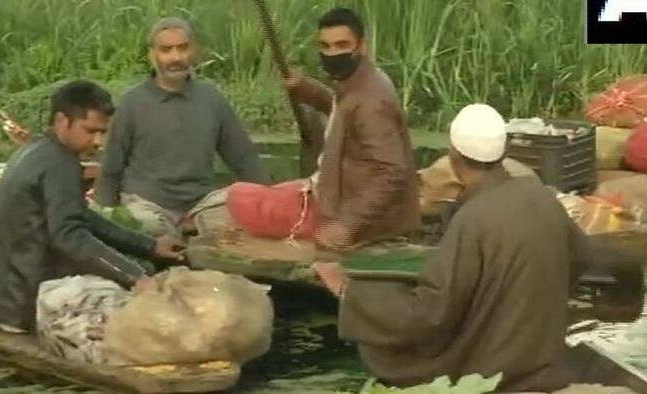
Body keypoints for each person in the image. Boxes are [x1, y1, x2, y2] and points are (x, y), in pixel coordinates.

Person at [313, 104, 594, 392]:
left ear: (454, 157)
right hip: (540, 356)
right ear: (502, 153)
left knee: (389, 348)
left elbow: (430, 313)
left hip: (495, 367)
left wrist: (349, 292)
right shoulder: (541, 196)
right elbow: (582, 257)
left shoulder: (473, 220)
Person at [0, 80, 185, 334]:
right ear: (62, 121)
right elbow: (70, 236)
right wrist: (134, 276)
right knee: (136, 318)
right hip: (17, 305)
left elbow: (79, 217)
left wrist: (148, 246)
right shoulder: (60, 165)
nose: (98, 141)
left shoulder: (37, 150)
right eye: (90, 131)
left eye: (102, 132)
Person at [227, 7, 420, 250]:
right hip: (332, 190)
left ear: (362, 46)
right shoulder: (360, 82)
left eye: (341, 45)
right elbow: (344, 112)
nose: (332, 53)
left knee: (237, 197)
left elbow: (392, 173)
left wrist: (346, 224)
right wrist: (307, 89)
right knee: (268, 191)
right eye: (325, 46)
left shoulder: (371, 101)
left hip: (342, 211)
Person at [94, 17, 270, 238]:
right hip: (148, 206)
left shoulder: (211, 98)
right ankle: (175, 237)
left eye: (182, 48)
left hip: (202, 205)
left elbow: (244, 158)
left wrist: (268, 202)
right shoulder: (132, 103)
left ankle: (191, 231)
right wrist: (105, 216)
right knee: (143, 225)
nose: (175, 57)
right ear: (152, 55)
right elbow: (111, 166)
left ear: (194, 51)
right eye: (166, 50)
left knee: (236, 216)